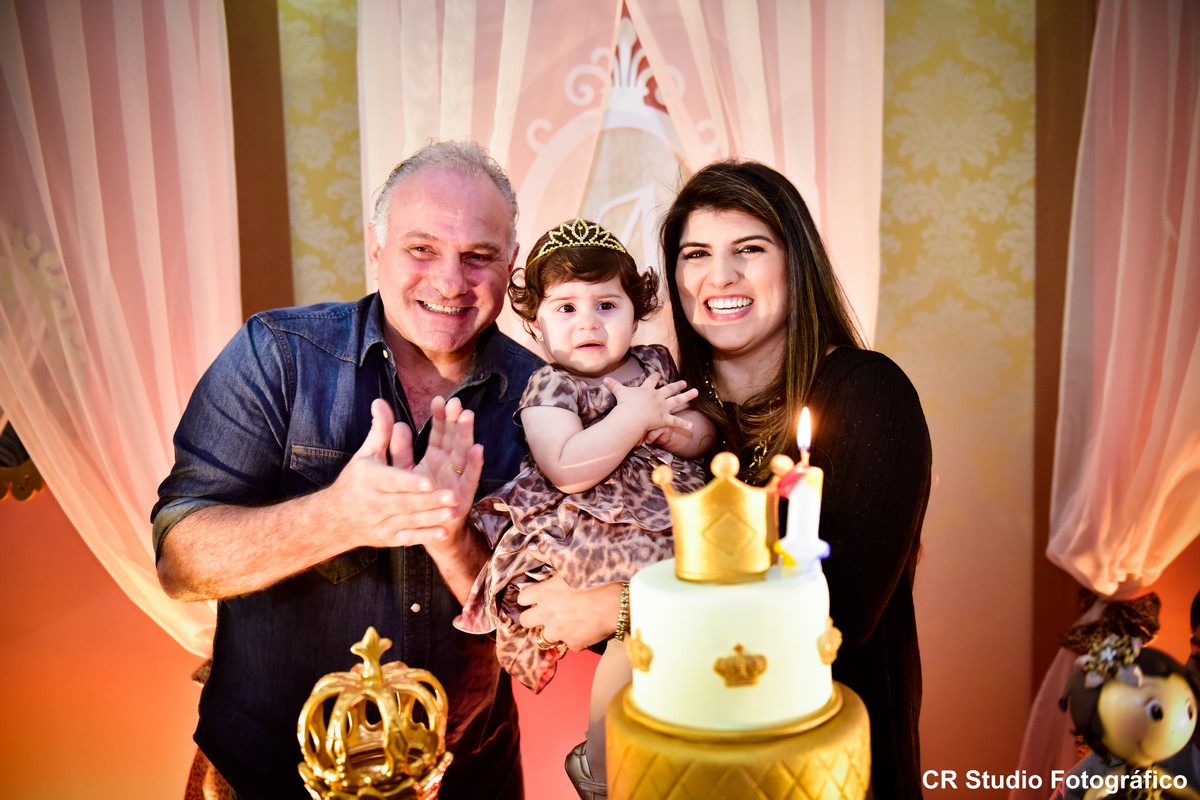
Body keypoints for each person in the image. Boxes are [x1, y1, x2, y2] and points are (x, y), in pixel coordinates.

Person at [517, 160, 932, 798]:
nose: (720, 276)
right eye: (696, 254)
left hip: (816, 769)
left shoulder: (867, 393)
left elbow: (839, 614)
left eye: (749, 249)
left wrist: (623, 605)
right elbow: (619, 611)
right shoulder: (654, 410)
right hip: (680, 767)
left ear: (796, 263)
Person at [152, 140, 544, 800]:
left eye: (478, 256)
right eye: (422, 249)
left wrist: (453, 539)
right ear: (377, 246)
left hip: (468, 779)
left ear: (511, 262)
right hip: (264, 778)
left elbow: (539, 633)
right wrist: (336, 517)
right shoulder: (277, 356)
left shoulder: (547, 402)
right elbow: (180, 564)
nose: (451, 281)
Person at [455, 219, 713, 798]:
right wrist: (633, 419)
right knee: (632, 637)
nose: (588, 322)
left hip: (671, 522)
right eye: (566, 308)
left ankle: (671, 742)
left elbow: (702, 430)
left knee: (682, 637)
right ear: (535, 325)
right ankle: (602, 763)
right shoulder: (550, 387)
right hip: (593, 533)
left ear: (635, 312)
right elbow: (567, 466)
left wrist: (678, 431)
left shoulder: (654, 364)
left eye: (606, 305)